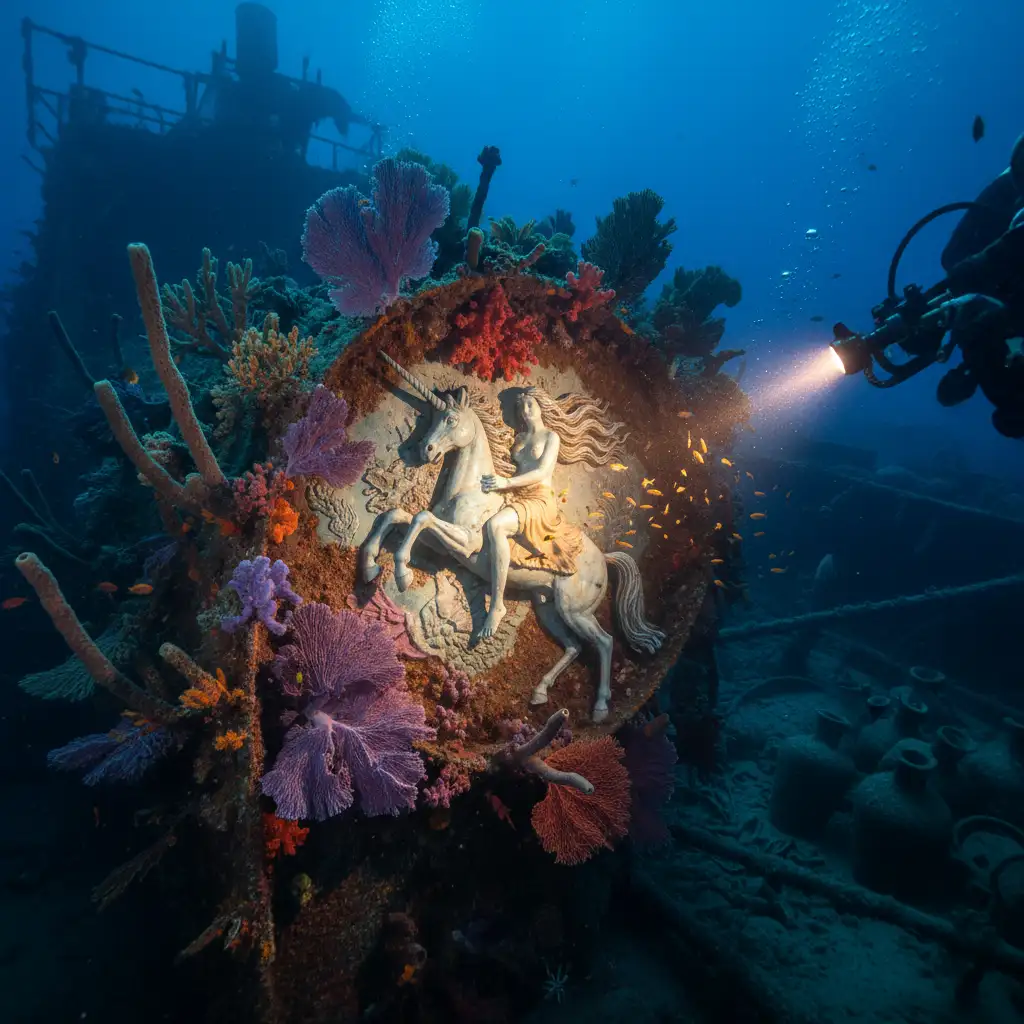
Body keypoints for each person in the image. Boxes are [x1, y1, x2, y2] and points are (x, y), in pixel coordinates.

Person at [478, 388, 624, 638]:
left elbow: (542, 473)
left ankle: (497, 606)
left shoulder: (551, 437)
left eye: (530, 405)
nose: (525, 411)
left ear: (541, 406)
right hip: (517, 496)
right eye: (521, 407)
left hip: (540, 500)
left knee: (496, 526)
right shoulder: (520, 438)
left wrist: (505, 483)